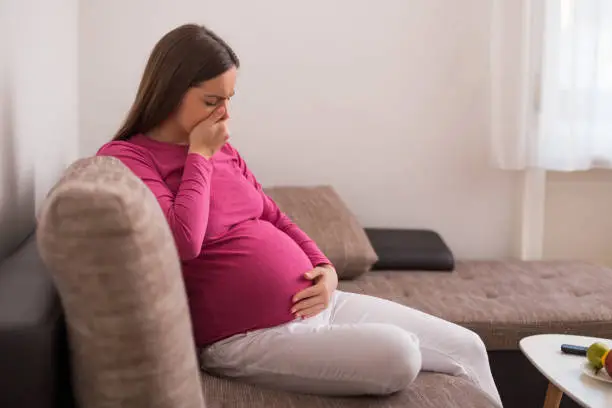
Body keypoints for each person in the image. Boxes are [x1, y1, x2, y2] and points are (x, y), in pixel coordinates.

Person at [98, 24, 502, 406]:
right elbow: (184, 242)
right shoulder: (128, 159)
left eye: (229, 100)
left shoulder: (223, 149)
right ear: (170, 91)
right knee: (400, 355)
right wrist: (199, 154)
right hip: (244, 336)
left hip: (320, 304)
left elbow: (275, 216)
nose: (224, 115)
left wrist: (324, 268)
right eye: (212, 101)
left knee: (468, 345)